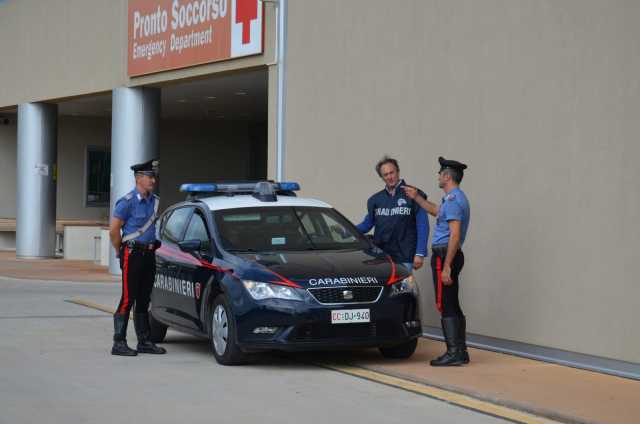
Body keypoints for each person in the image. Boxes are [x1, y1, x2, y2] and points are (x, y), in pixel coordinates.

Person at [403, 157, 470, 366]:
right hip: (447, 255)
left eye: (440, 174)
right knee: (452, 303)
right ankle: (460, 351)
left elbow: (455, 235)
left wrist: (447, 266)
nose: (438, 177)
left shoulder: (453, 200)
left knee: (446, 304)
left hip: (445, 256)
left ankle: (453, 353)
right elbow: (436, 212)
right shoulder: (453, 198)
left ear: (447, 176)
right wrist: (417, 198)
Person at [109, 159, 166, 356]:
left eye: (154, 177)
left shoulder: (154, 201)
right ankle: (119, 342)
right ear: (138, 178)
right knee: (128, 298)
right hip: (132, 253)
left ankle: (144, 341)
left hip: (149, 254)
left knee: (144, 298)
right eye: (150, 177)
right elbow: (114, 230)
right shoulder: (127, 202)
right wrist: (119, 250)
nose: (153, 180)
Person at [355, 156, 429, 272]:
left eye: (392, 172)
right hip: (381, 256)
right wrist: (347, 231)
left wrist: (420, 253)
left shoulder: (414, 194)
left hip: (405, 255)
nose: (390, 177)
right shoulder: (375, 200)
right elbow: (367, 224)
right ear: (381, 177)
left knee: (401, 289)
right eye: (385, 175)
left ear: (398, 172)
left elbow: (422, 225)